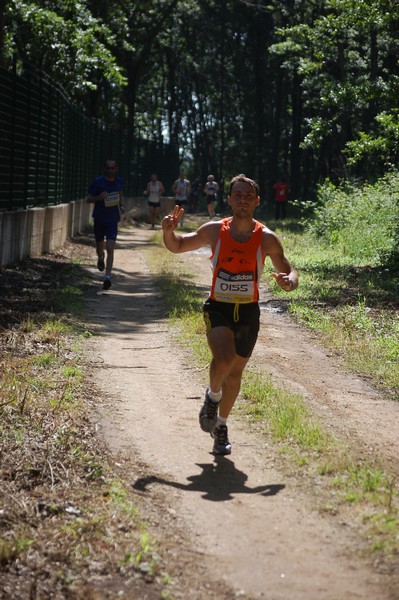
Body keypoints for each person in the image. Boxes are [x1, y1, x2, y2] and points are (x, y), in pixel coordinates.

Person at [162, 173, 298, 455]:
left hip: (248, 312)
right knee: (223, 358)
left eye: (248, 196)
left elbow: (290, 270)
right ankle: (212, 398)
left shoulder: (267, 238)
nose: (243, 200)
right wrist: (168, 231)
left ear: (257, 201)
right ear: (229, 199)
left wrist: (289, 282)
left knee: (234, 376)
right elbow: (177, 245)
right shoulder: (214, 231)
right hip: (219, 306)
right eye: (237, 195)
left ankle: (221, 425)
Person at [87, 159, 125, 290]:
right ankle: (100, 256)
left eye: (113, 168)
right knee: (100, 248)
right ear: (105, 169)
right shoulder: (98, 181)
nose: (110, 170)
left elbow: (120, 194)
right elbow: (88, 199)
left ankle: (107, 277)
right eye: (108, 168)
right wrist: (99, 197)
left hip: (112, 220)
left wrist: (123, 207)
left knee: (110, 247)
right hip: (99, 219)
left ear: (116, 168)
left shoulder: (119, 181)